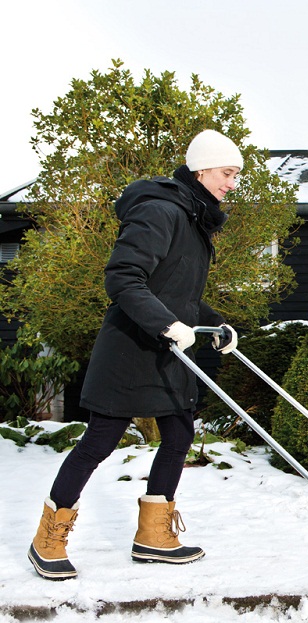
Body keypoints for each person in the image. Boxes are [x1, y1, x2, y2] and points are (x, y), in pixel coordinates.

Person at [28, 129, 244, 581]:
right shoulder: (160, 210)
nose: (232, 183)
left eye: (235, 175)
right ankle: (48, 537)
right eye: (227, 173)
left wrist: (215, 323)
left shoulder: (192, 218)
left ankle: (154, 537)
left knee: (179, 435)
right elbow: (124, 279)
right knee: (99, 442)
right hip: (130, 350)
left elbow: (178, 293)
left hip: (166, 352)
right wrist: (166, 325)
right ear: (202, 169)